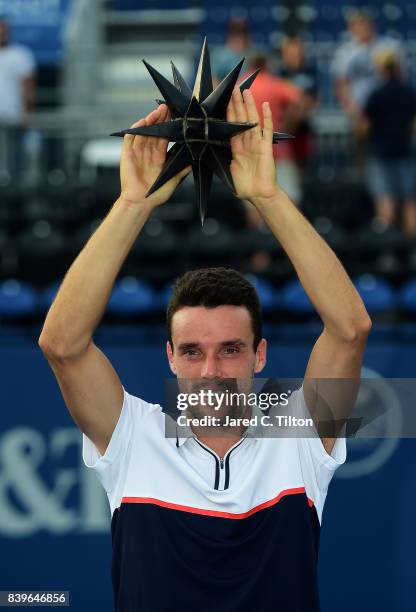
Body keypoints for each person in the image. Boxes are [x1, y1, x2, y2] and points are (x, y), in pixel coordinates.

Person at [38, 88, 372, 612]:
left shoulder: (300, 441)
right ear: (169, 357)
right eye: (192, 351)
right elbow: (62, 344)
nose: (212, 371)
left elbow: (350, 330)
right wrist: (132, 204)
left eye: (230, 350)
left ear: (260, 355)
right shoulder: (133, 439)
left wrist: (269, 196)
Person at [359, 49, 416, 236]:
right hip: (404, 150)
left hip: (380, 151)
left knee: (385, 200)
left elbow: (365, 127)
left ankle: (386, 251)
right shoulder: (408, 92)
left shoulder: (376, 94)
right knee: (409, 200)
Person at [331, 9, 405, 117]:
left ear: (373, 25)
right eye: (358, 24)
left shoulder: (390, 46)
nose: (363, 28)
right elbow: (341, 84)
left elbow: (400, 78)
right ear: (351, 27)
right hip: (358, 108)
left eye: (365, 23)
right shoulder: (344, 52)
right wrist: (352, 110)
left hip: (387, 107)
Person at [0, 15, 36, 181]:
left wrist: (27, 114)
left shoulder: (20, 55)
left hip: (13, 118)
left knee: (14, 162)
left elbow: (28, 88)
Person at [211, 17, 253, 84]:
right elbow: (213, 79)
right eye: (236, 32)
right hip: (227, 92)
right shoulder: (220, 55)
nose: (238, 38)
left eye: (241, 32)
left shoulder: (254, 54)